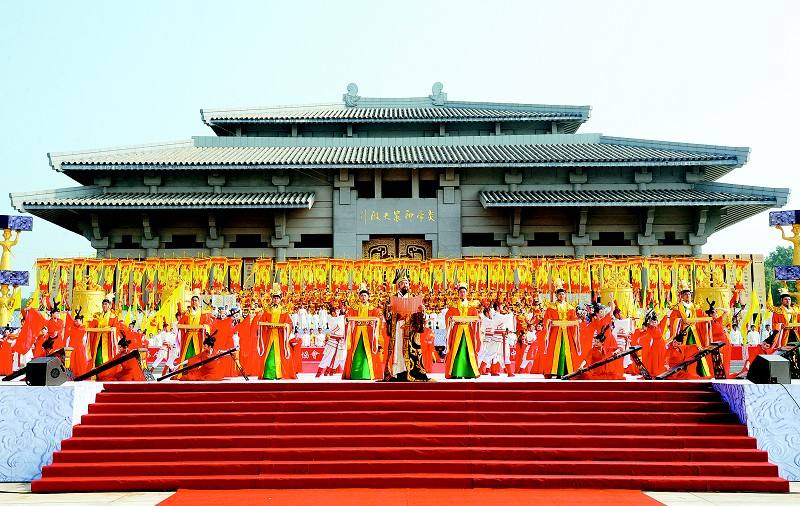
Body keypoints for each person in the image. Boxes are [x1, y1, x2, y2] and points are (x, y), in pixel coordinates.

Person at [382, 268, 429, 382]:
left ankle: (411, 372)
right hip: (397, 327)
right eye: (403, 283)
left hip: (410, 328)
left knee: (411, 350)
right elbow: (387, 316)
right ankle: (397, 372)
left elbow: (421, 316)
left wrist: (422, 311)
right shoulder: (392, 298)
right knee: (397, 349)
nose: (405, 285)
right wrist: (388, 310)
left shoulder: (413, 297)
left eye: (407, 283)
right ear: (398, 285)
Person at [668, 281, 711, 378]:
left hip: (693, 331)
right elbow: (674, 318)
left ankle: (700, 372)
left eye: (689, 294)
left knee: (697, 350)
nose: (688, 296)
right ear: (682, 296)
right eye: (686, 294)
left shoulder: (693, 306)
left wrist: (706, 320)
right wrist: (681, 321)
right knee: (684, 351)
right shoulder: (678, 307)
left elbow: (698, 317)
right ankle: (683, 371)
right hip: (684, 331)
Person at [342, 284, 382, 380]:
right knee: (356, 352)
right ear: (359, 297)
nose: (363, 297)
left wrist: (376, 321)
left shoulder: (373, 308)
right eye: (361, 295)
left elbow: (379, 317)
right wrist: (348, 319)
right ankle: (355, 374)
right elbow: (347, 317)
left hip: (368, 333)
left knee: (368, 352)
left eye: (365, 295)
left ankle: (369, 374)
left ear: (368, 297)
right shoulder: (354, 308)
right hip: (357, 333)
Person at [541, 282, 581, 378]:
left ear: (565, 295)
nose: (561, 296)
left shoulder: (570, 307)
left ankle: (567, 371)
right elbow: (546, 319)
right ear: (556, 296)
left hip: (567, 331)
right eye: (559, 294)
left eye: (563, 294)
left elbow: (574, 318)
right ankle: (553, 371)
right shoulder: (551, 307)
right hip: (556, 331)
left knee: (567, 350)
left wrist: (576, 322)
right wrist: (550, 323)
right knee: (555, 350)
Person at [257, 284, 296, 380]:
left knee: (281, 354)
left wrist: (286, 326)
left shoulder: (284, 310)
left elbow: (289, 323)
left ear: (280, 299)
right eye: (274, 298)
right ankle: (268, 374)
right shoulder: (267, 309)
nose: (275, 300)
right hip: (270, 334)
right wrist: (266, 324)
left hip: (280, 335)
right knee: (269, 354)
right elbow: (262, 320)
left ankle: (280, 374)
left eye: (277, 298)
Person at [443, 283, 481, 379]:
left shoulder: (472, 306)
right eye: (460, 292)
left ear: (466, 293)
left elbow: (477, 317)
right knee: (457, 350)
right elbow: (447, 316)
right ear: (458, 293)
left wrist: (477, 320)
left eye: (464, 292)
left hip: (468, 330)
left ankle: (469, 372)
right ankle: (456, 372)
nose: (462, 293)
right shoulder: (453, 306)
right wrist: (450, 319)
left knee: (468, 352)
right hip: (457, 330)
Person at [177, 295, 213, 365]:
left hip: (198, 335)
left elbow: (208, 323)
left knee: (198, 353)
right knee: (187, 353)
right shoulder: (187, 313)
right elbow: (180, 324)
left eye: (195, 300)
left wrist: (205, 327)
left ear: (198, 302)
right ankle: (186, 368)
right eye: (192, 300)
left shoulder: (203, 313)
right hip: (188, 336)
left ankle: (198, 368)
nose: (194, 302)